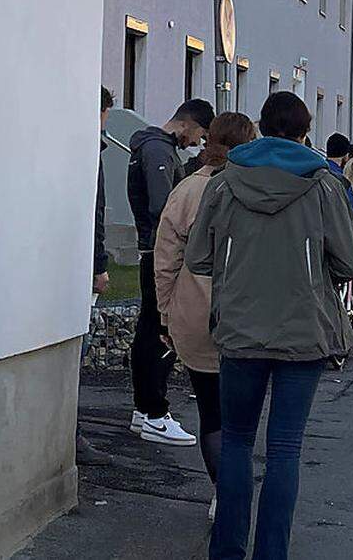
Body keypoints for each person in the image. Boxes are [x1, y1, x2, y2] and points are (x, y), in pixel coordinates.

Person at [185, 91, 353, 559]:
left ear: (261, 128)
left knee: (238, 442)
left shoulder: (224, 182)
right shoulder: (324, 184)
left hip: (240, 329)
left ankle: (225, 551)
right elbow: (350, 261)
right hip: (303, 332)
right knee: (285, 449)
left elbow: (198, 257)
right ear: (306, 132)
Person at [154, 113, 256, 521]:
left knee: (212, 413)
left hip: (198, 311)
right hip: (252, 313)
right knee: (244, 415)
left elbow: (165, 260)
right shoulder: (258, 187)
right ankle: (241, 489)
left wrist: (165, 313)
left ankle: (224, 494)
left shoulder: (188, 191)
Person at [126, 98, 213, 446]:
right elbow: (165, 208)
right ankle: (154, 412)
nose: (197, 143)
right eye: (200, 136)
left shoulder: (154, 148)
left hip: (152, 250)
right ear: (188, 124)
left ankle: (145, 409)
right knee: (160, 330)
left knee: (149, 328)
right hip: (160, 253)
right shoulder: (158, 152)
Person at [78, 88, 117, 467]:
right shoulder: (88, 148)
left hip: (69, 258)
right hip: (80, 263)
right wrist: (98, 264)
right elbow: (95, 212)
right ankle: (70, 434)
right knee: (81, 348)